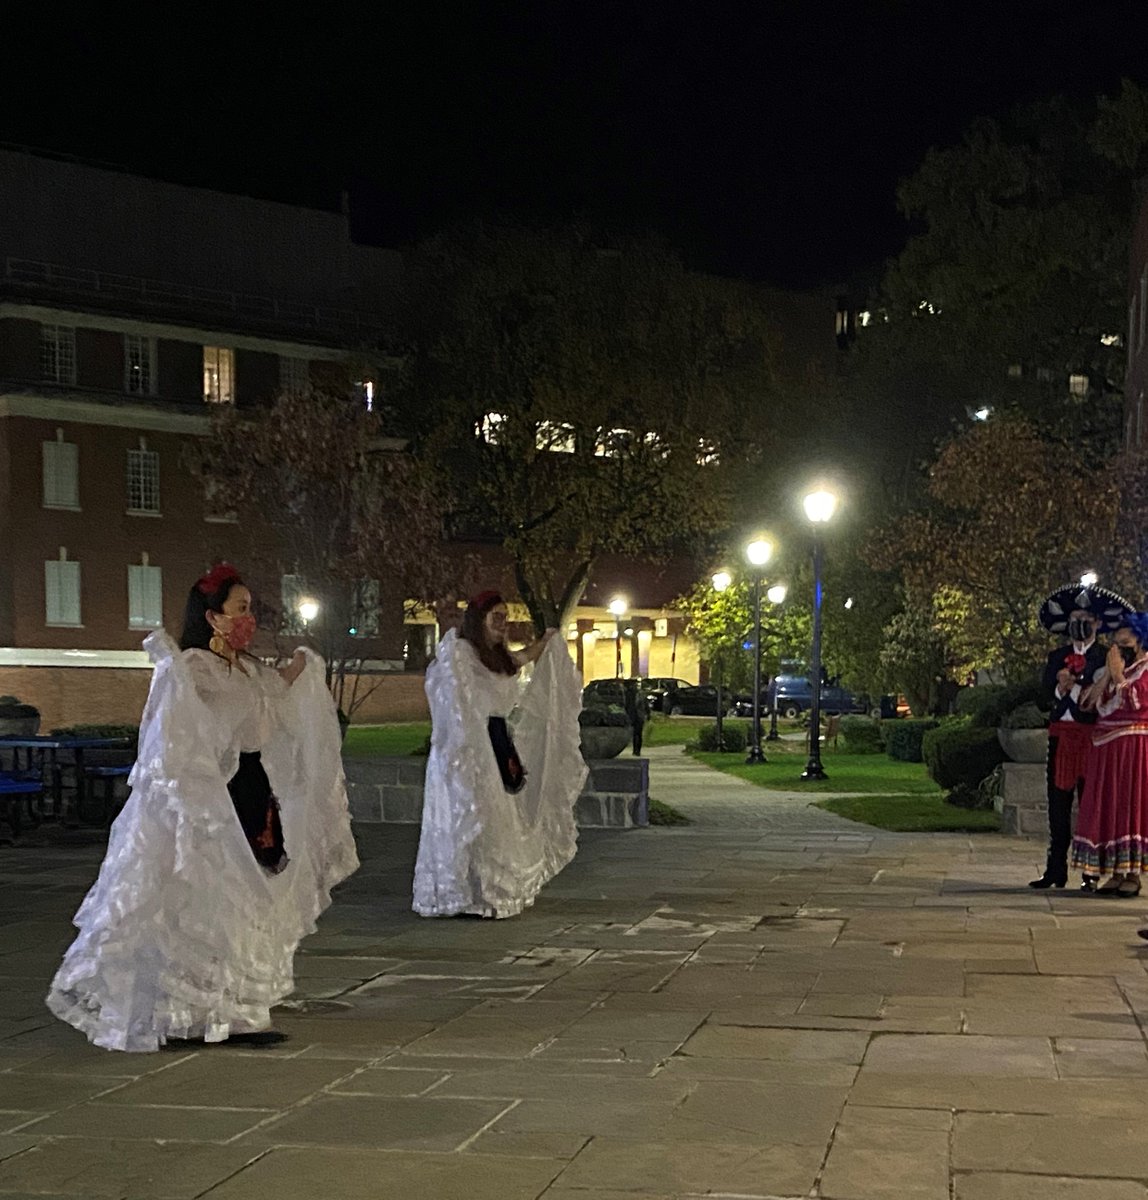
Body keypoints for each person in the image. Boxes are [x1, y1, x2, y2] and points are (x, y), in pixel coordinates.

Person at [46, 563, 359, 1052]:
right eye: (240, 608)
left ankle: (236, 1005)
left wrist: (303, 666)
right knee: (212, 898)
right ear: (213, 617)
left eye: (250, 609)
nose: (248, 618)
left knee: (251, 899)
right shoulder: (192, 667)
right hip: (214, 796)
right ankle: (196, 1011)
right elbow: (174, 735)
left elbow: (273, 693)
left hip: (253, 792)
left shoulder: (246, 668)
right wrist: (195, 793)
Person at [413, 590, 587, 919]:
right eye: (496, 617)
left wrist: (545, 642)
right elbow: (455, 698)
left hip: (494, 745)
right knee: (470, 816)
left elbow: (520, 660)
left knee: (495, 819)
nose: (503, 624)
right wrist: (466, 748)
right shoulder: (461, 653)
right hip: (464, 750)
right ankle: (461, 893)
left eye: (505, 618)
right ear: (479, 620)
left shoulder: (496, 657)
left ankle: (488, 892)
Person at [1030, 582, 1132, 890]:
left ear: (1097, 623)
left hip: (1091, 739)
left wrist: (1075, 687)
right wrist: (1058, 688)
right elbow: (1041, 697)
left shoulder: (1105, 656)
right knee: (1057, 804)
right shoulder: (1057, 656)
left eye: (1086, 619)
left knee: (1091, 806)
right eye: (1075, 618)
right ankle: (1055, 869)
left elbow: (1107, 697)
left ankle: (1091, 873)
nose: (1080, 624)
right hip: (1060, 737)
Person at [1071, 611, 1148, 898]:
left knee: (1129, 805)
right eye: (1116, 643)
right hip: (1107, 748)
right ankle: (1116, 871)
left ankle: (1132, 874)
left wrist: (1117, 675)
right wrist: (1107, 676)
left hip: (1132, 749)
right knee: (1110, 807)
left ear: (1140, 641)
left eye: (1125, 643)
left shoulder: (1144, 669)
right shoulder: (1118, 671)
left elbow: (1137, 701)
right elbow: (1088, 704)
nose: (1119, 648)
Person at [623, 678, 649, 755]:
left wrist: (648, 713)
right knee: (634, 734)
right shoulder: (627, 694)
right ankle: (635, 749)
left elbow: (645, 704)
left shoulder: (640, 694)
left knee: (638, 733)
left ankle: (637, 750)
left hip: (639, 715)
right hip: (632, 715)